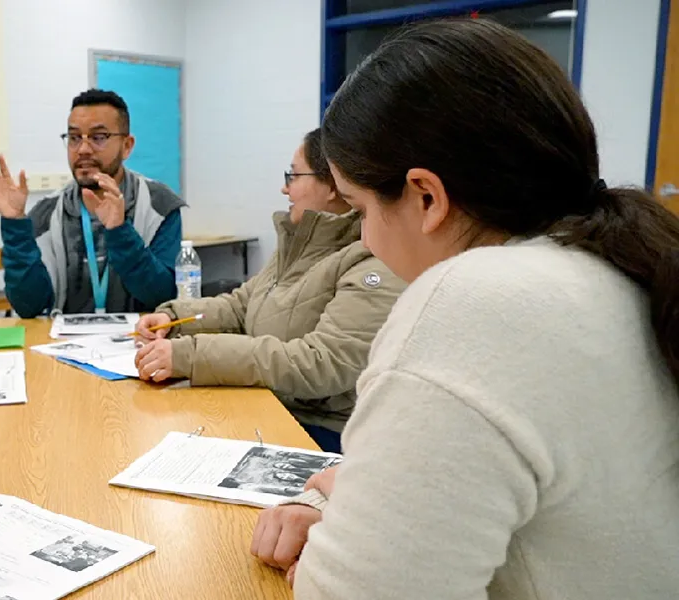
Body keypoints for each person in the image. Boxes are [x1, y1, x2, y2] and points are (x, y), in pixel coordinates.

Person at [250, 20, 679, 599]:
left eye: (359, 208)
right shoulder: (620, 269)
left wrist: (330, 561)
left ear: (426, 197)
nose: (365, 236)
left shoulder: (473, 302)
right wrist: (354, 502)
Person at [133, 129, 404, 452]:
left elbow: (321, 362)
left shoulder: (371, 259)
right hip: (269, 406)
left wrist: (191, 355)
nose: (284, 187)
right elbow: (240, 306)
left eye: (293, 175)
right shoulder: (300, 242)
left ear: (333, 184)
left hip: (321, 433)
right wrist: (171, 317)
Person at [0, 89, 186, 316]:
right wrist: (14, 223)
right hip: (63, 345)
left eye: (98, 137)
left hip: (141, 344)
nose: (83, 149)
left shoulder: (159, 206)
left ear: (127, 146)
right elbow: (29, 306)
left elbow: (163, 296)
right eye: (74, 138)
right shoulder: (47, 213)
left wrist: (119, 231)